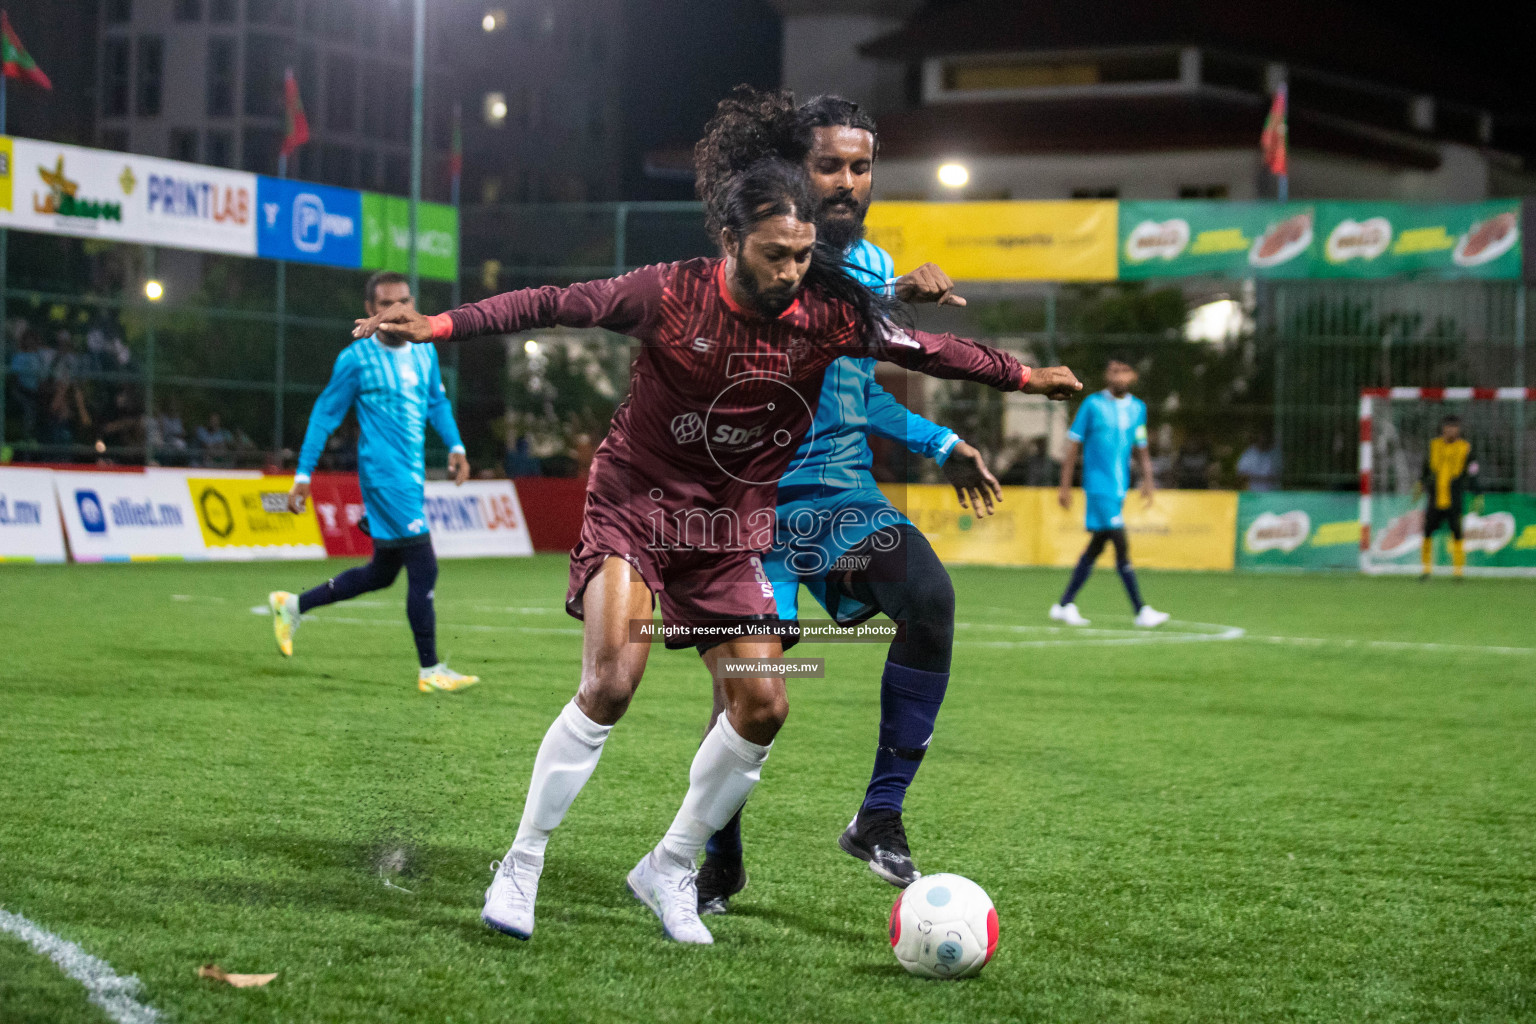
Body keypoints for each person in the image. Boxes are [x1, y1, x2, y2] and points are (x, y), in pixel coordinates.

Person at [350, 156, 1081, 946]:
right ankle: (521, 863)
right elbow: (553, 303)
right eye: (776, 254)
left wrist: (1024, 376)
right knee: (612, 681)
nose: (793, 271)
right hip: (639, 502)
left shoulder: (825, 311)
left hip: (730, 526)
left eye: (804, 255)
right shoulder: (669, 292)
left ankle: (670, 866)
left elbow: (921, 349)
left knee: (764, 705)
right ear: (731, 239)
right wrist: (439, 325)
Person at [690, 89, 1008, 912]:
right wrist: (896, 289)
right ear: (793, 169)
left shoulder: (870, 270)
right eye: (827, 164)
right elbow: (793, 318)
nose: (845, 181)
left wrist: (942, 442)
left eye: (859, 166)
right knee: (752, 695)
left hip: (841, 500)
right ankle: (714, 853)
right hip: (749, 509)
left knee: (929, 595)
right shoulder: (758, 256)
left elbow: (856, 394)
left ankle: (881, 816)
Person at [267, 271, 480, 694]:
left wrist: (455, 445)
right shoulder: (356, 359)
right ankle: (430, 670)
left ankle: (291, 606)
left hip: (412, 475)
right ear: (370, 311)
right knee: (425, 566)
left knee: (382, 574)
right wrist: (304, 476)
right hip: (384, 478)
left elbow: (436, 402)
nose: (396, 311)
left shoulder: (424, 353)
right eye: (385, 304)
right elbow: (324, 415)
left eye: (403, 301)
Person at [1050, 356, 1169, 628]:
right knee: (1120, 543)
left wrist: (1149, 481)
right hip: (1098, 485)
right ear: (1107, 375)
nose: (1118, 376)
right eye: (1113, 370)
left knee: (1097, 546)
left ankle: (1064, 604)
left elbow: (1141, 447)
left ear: (1133, 376)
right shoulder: (1092, 405)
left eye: (1123, 371)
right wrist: (1065, 485)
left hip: (1120, 488)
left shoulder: (1138, 409)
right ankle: (1141, 610)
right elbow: (1073, 446)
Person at [1415, 414, 1481, 579]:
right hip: (1435, 496)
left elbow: (1472, 472)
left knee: (1457, 531)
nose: (1451, 430)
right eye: (1448, 426)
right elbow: (1425, 469)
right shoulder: (1434, 445)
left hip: (1454, 497)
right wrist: (1420, 483)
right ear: (1443, 428)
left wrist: (1477, 493)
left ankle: (1458, 571)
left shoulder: (1465, 448)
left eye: (1454, 427)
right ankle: (1426, 570)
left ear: (1459, 429)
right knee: (1427, 531)